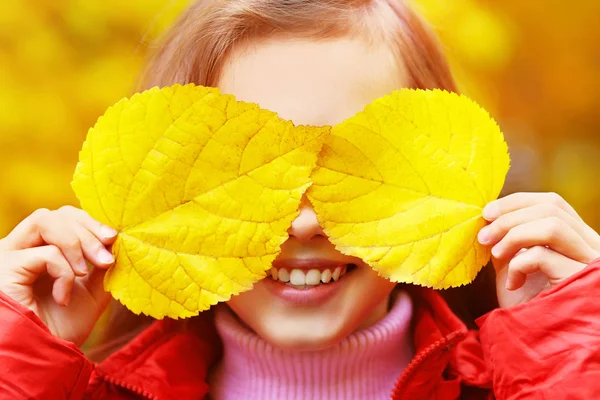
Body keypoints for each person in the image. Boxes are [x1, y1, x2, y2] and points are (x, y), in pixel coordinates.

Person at [1, 1, 600, 399]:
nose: (307, 220)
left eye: (356, 169)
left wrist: (564, 353)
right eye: (248, 173)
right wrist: (18, 360)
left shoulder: (537, 379)